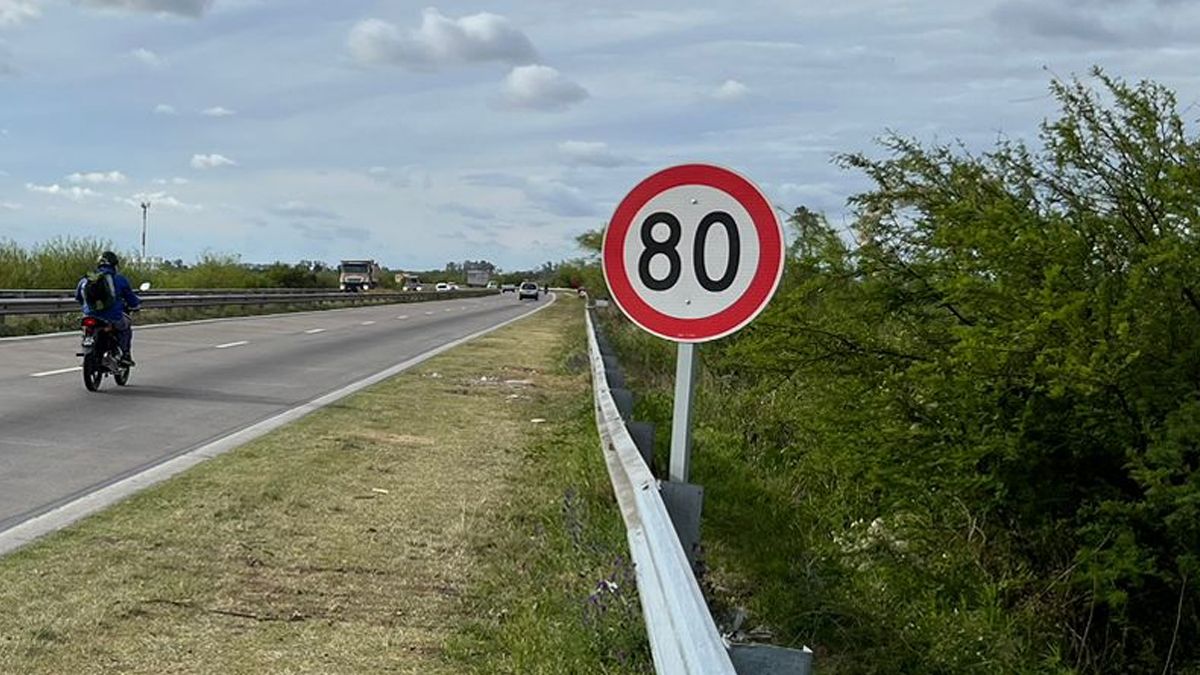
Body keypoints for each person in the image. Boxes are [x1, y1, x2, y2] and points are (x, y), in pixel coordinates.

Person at [76, 251, 142, 366]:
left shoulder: (86, 279)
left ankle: (87, 351)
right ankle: (125, 355)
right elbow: (131, 299)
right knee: (126, 326)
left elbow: (78, 297)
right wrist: (136, 305)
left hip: (89, 315)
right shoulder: (119, 279)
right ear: (114, 265)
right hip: (112, 317)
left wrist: (87, 308)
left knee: (86, 329)